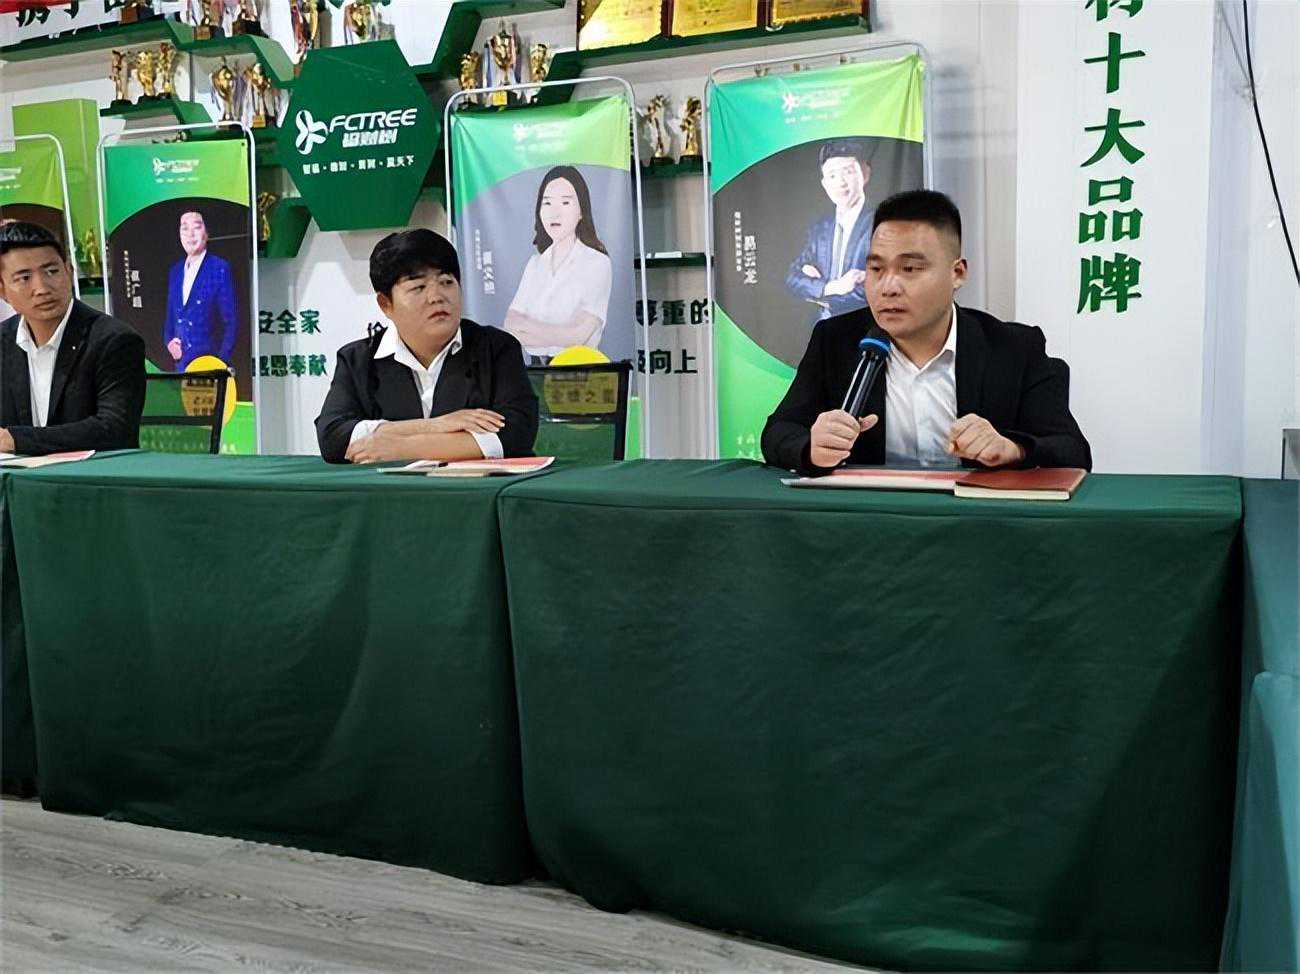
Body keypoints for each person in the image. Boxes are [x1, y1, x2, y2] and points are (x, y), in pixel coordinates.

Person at [763, 190, 1091, 475]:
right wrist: (811, 448)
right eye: (876, 268)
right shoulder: (835, 340)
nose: (888, 287)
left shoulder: (1014, 348)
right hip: (872, 519)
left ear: (957, 273)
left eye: (910, 268)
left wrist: (1012, 449)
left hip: (976, 520)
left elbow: (1072, 450)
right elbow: (779, 431)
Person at [315, 229, 538, 464]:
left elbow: (516, 434)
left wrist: (402, 448)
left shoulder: (496, 348)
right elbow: (334, 437)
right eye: (418, 287)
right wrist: (435, 426)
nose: (437, 296)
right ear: (385, 304)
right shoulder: (358, 360)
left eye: (446, 282)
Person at [0, 221, 145, 456]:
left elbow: (115, 429)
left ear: (69, 271)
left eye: (52, 271)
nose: (42, 288)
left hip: (90, 476)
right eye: (24, 278)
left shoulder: (114, 340)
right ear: (2, 290)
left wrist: (16, 440)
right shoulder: (3, 343)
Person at [505, 165, 613, 364]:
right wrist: (557, 333)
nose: (555, 213)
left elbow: (578, 335)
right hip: (535, 369)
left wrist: (531, 327)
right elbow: (511, 324)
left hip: (579, 368)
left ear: (581, 211)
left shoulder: (596, 263)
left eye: (565, 202)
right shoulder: (535, 264)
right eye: (547, 203)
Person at [785, 140, 874, 323]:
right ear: (824, 184)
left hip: (865, 328)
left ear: (865, 174)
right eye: (832, 175)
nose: (840, 182)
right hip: (822, 328)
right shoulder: (820, 228)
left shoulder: (880, 224)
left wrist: (818, 294)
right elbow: (792, 277)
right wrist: (832, 287)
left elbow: (877, 286)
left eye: (848, 171)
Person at [162, 210, 238, 372]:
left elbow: (231, 322)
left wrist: (220, 362)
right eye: (184, 228)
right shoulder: (175, 271)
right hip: (181, 367)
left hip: (211, 366)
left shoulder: (219, 268)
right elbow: (170, 319)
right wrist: (170, 343)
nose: (190, 234)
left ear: (207, 233)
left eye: (196, 227)